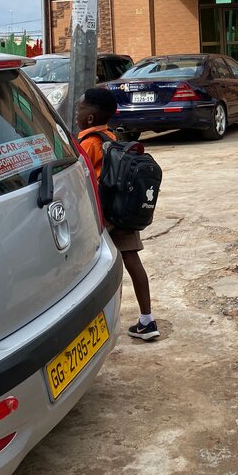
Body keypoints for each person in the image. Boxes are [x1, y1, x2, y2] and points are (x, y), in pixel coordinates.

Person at [76, 87, 160, 341]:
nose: (77, 112)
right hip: (123, 210)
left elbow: (79, 179)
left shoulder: (88, 143)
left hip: (104, 215)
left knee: (89, 268)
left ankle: (89, 326)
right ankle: (147, 320)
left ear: (89, 118)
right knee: (132, 261)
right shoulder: (112, 138)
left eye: (80, 108)